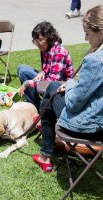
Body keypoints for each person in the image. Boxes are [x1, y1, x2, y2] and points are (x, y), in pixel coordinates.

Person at [32, 4, 103, 173]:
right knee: (54, 87)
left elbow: (73, 103)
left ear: (101, 32)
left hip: (91, 127)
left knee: (51, 90)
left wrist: (71, 83)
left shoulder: (95, 60)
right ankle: (45, 131)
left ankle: (45, 154)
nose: (86, 39)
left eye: (87, 33)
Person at [17, 21, 74, 110]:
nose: (37, 43)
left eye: (40, 39)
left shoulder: (59, 52)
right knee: (22, 68)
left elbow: (53, 81)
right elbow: (47, 69)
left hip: (60, 86)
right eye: (35, 40)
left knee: (25, 77)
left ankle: (38, 108)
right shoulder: (45, 48)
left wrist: (28, 83)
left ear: (49, 37)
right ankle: (35, 105)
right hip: (48, 79)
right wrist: (42, 71)